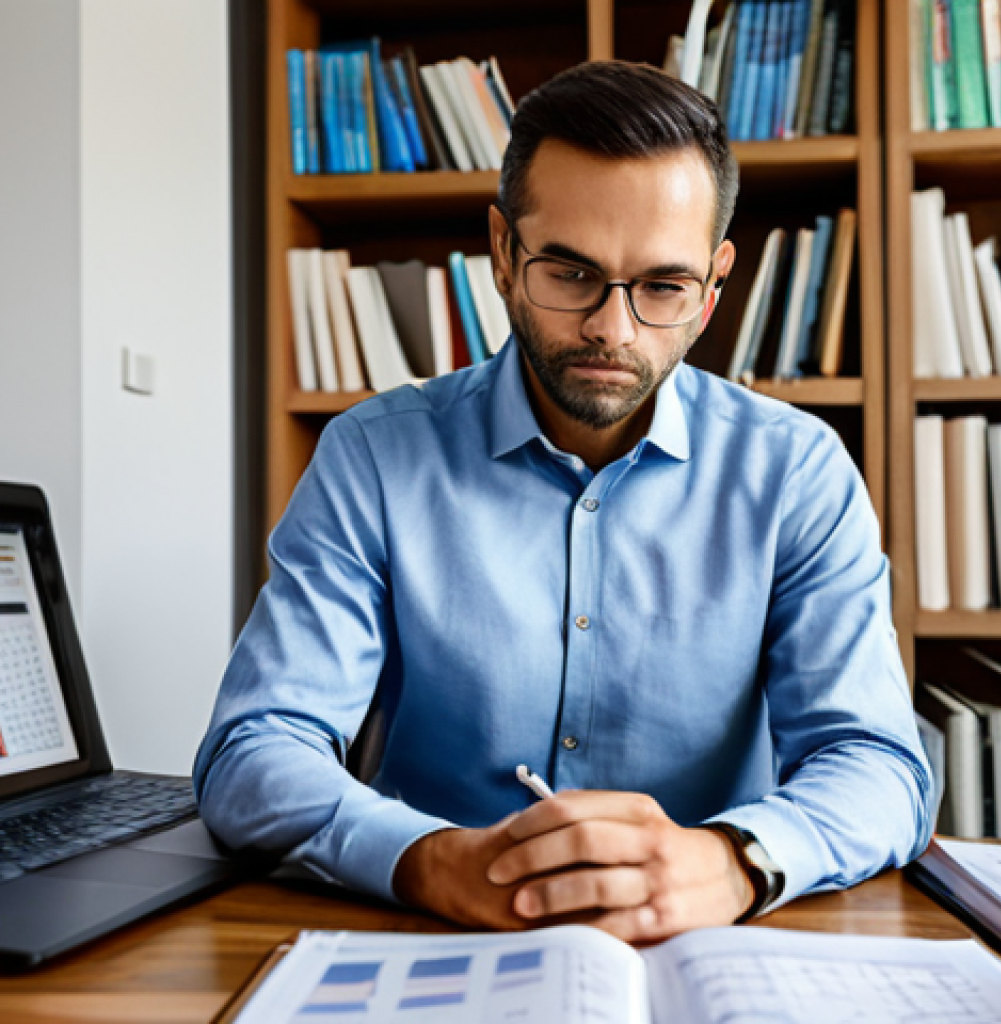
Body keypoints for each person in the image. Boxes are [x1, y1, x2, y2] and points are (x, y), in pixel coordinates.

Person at [195, 62, 932, 943]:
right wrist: (426, 858)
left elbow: (880, 764)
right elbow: (253, 751)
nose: (612, 331)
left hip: (710, 950)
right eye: (572, 273)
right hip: (434, 940)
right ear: (504, 253)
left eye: (662, 286)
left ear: (715, 284)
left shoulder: (798, 472)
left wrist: (736, 861)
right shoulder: (375, 457)